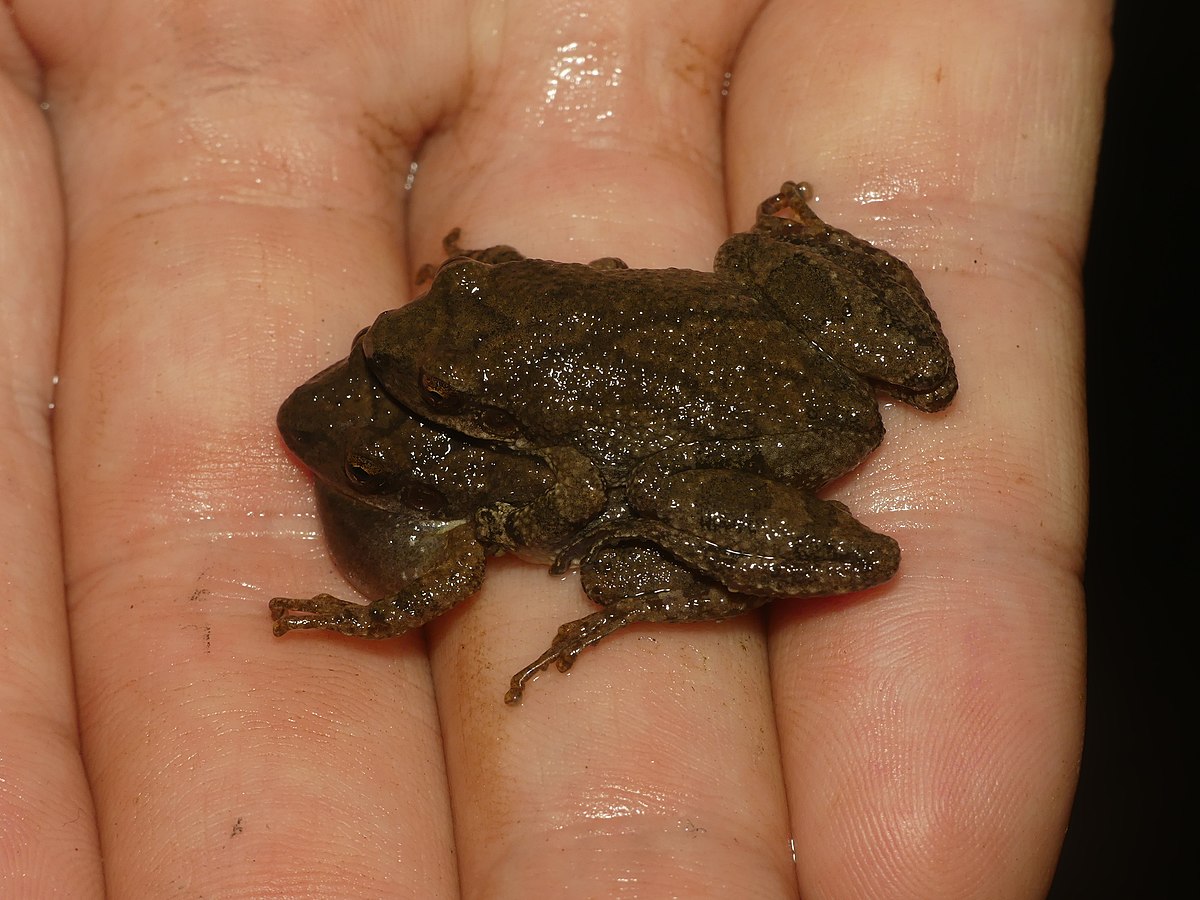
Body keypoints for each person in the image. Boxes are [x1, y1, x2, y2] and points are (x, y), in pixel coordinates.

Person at [0, 2, 1107, 895]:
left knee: (637, 532)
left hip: (764, 438)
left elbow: (588, 484)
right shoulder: (506, 323)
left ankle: (679, 569)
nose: (393, 349)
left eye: (440, 383)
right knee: (735, 277)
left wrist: (634, 551)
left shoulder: (557, 447)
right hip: (749, 340)